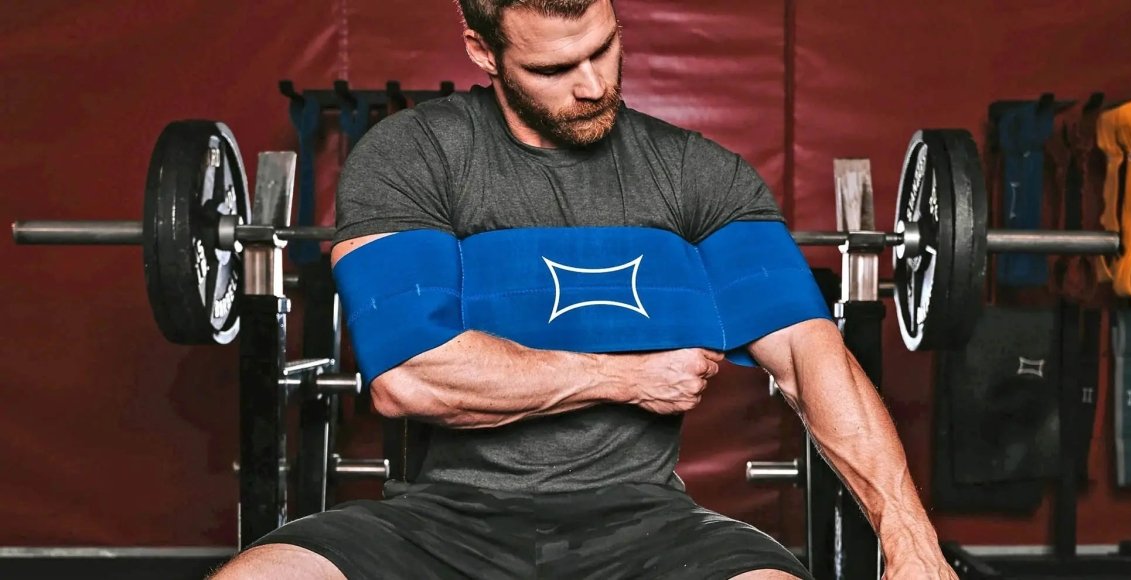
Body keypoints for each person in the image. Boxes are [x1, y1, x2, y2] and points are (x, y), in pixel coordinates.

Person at [213, 1, 955, 578]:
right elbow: (411, 376)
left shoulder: (697, 174)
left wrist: (912, 545)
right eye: (555, 67)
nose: (594, 84)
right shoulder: (415, 157)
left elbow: (808, 354)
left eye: (604, 47)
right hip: (440, 522)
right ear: (483, 51)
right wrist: (626, 377)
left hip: (651, 527)